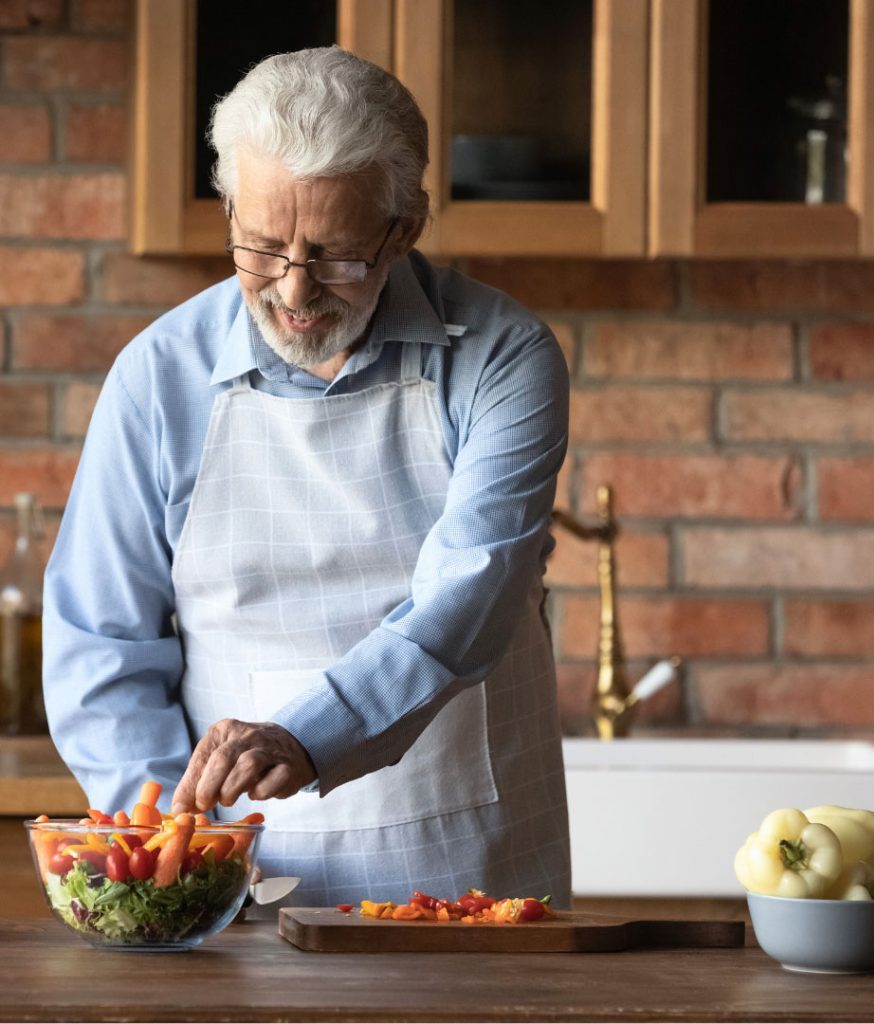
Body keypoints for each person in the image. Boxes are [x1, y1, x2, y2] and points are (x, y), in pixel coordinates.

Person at [43, 47, 572, 908]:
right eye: (261, 244)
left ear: (403, 229)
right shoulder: (156, 377)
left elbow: (470, 596)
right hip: (232, 882)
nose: (294, 288)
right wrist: (179, 844)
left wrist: (305, 733)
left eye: (335, 254)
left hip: (475, 870)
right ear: (230, 210)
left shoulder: (504, 358)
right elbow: (99, 641)